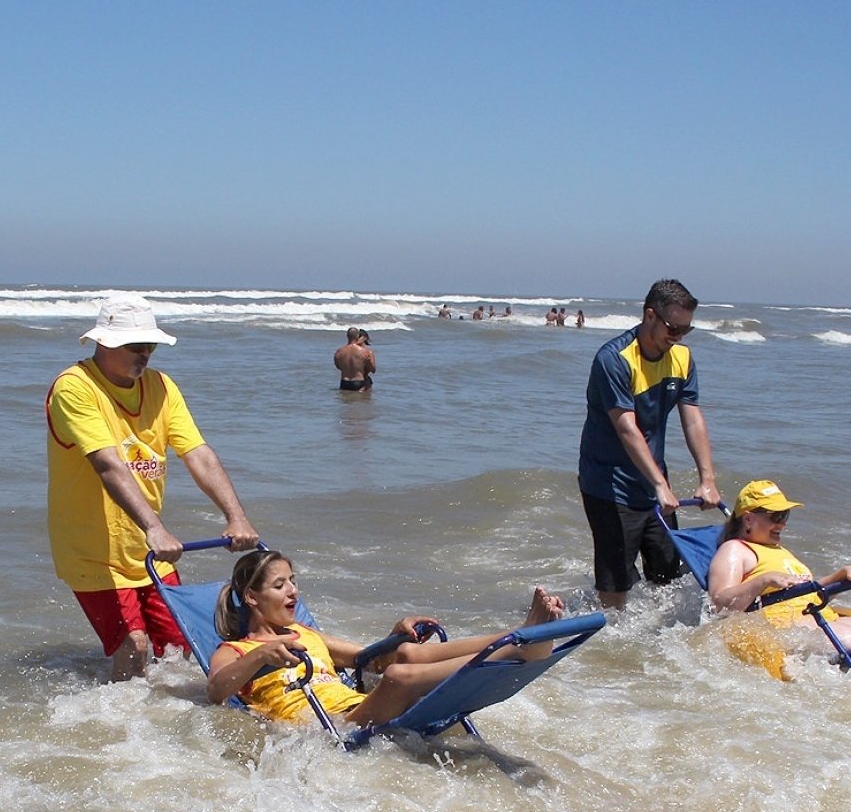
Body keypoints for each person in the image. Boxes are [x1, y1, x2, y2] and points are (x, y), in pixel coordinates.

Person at [47, 293, 260, 680]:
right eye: (135, 346)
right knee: (135, 646)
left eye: (150, 345)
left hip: (146, 549)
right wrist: (155, 527)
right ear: (104, 342)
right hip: (92, 552)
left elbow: (197, 453)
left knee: (182, 647)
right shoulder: (74, 388)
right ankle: (118, 729)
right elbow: (107, 464)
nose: (145, 354)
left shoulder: (161, 387)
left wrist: (236, 517)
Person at [207, 548, 566, 726]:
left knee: (406, 656)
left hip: (354, 707)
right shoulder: (236, 650)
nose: (293, 592)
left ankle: (519, 635)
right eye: (279, 585)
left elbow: (371, 660)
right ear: (252, 598)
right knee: (396, 677)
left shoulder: (304, 633)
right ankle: (516, 651)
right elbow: (216, 689)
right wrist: (262, 655)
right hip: (326, 727)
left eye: (293, 581)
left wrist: (395, 637)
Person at [576, 277, 720, 607]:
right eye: (673, 327)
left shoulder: (682, 357)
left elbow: (693, 418)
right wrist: (659, 484)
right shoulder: (614, 359)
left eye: (686, 330)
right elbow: (627, 429)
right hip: (609, 485)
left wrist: (707, 479)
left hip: (655, 484)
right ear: (650, 315)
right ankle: (608, 648)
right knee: (616, 586)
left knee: (668, 577)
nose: (679, 336)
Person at [706, 480, 851, 651]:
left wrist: (840, 576)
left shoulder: (780, 551)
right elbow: (719, 605)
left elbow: (806, 594)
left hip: (814, 615)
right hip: (780, 624)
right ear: (748, 519)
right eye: (776, 516)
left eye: (785, 515)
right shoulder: (734, 549)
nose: (782, 524)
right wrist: (763, 580)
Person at [334, 326, 376, 392]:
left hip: (344, 382)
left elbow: (338, 366)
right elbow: (373, 369)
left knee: (345, 401)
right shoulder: (365, 352)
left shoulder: (339, 351)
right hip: (358, 382)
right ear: (357, 336)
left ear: (347, 336)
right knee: (362, 401)